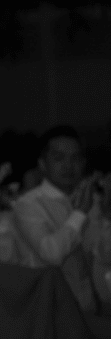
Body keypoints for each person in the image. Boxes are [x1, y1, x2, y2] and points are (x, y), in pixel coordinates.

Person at [12, 125, 104, 312]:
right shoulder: (28, 204)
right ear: (43, 164)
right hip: (47, 310)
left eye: (76, 158)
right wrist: (80, 214)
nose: (69, 166)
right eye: (59, 158)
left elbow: (99, 252)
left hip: (89, 306)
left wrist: (106, 215)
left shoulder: (88, 199)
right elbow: (51, 253)